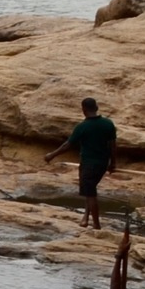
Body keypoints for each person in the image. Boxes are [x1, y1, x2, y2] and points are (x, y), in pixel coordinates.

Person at [46, 95, 120, 230]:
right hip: (102, 164)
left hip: (88, 164)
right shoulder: (108, 124)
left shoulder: (83, 127)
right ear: (96, 108)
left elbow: (67, 145)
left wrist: (52, 155)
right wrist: (113, 163)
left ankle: (96, 225)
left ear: (83, 110)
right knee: (89, 190)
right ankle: (85, 218)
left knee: (91, 194)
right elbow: (113, 145)